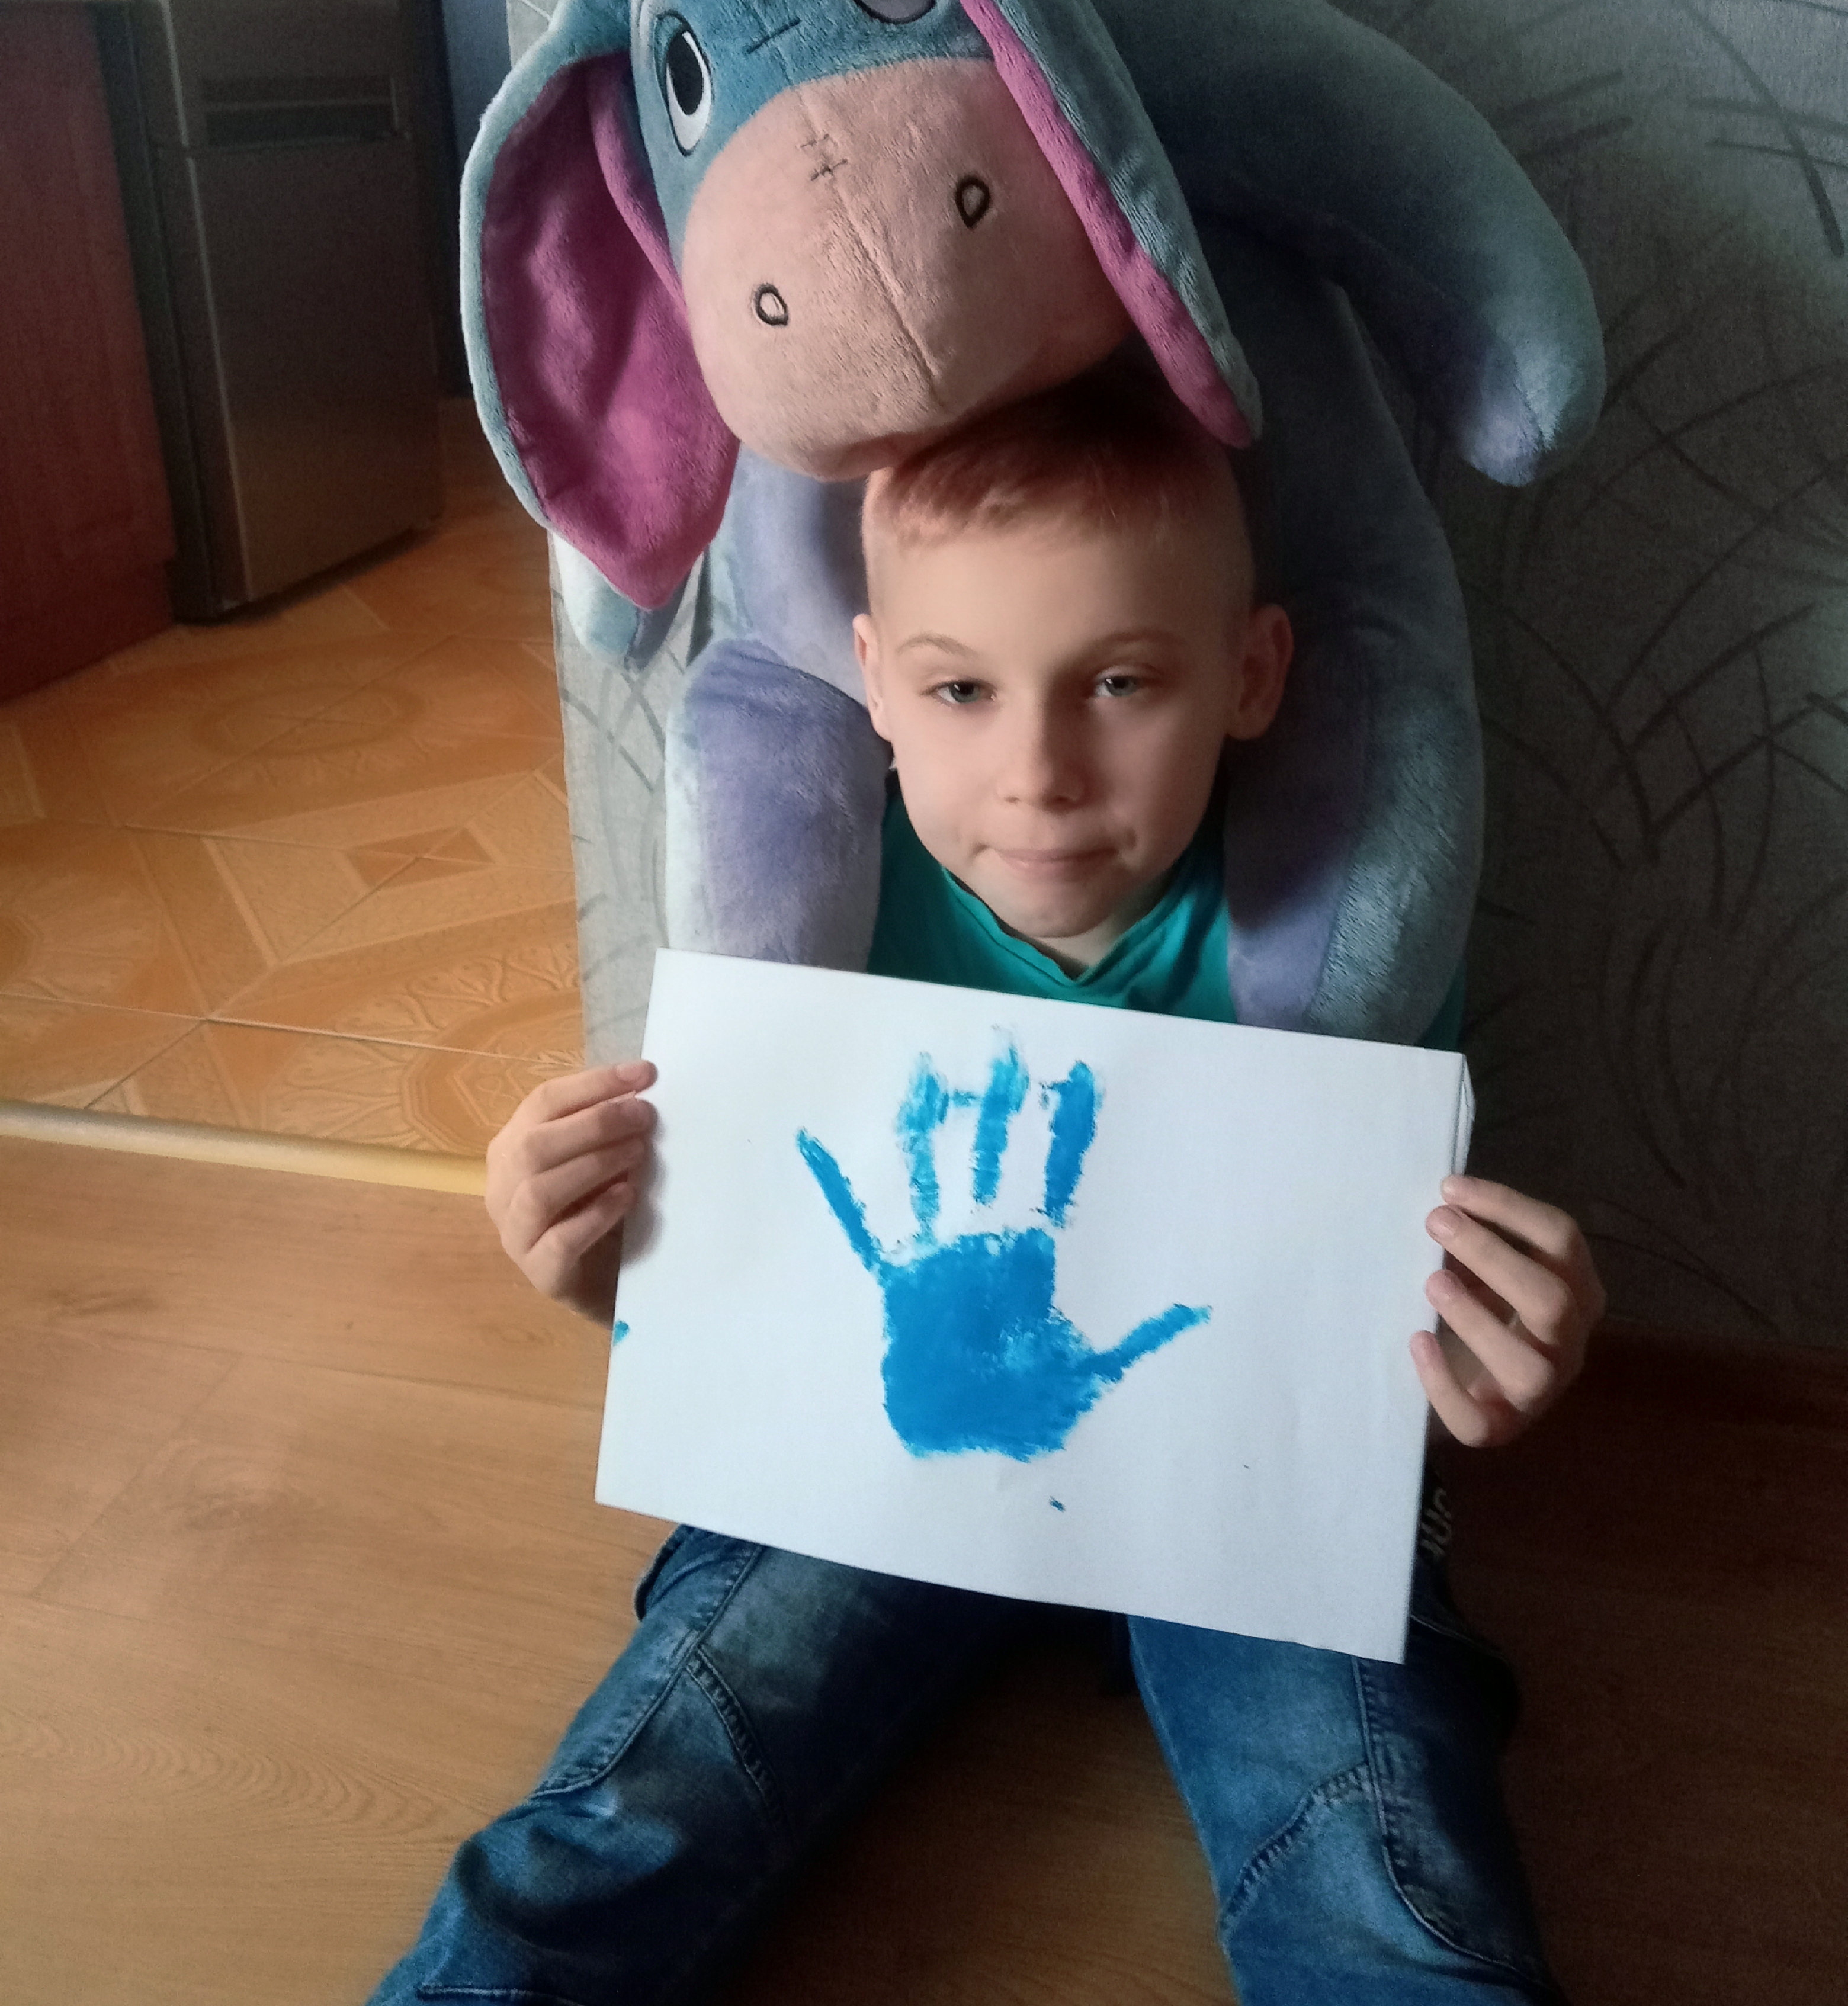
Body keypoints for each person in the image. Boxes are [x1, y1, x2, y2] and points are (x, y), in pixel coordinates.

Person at [369, 358, 1605, 2006]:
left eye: (1120, 683)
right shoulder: (812, 923)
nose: (1039, 771)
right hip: (875, 1465)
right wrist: (601, 1259)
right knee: (642, 1801)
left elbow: (1366, 1339)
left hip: (1238, 1498)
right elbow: (740, 1320)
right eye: (961, 690)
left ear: (1253, 675)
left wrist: (1493, 1357)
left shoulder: (1336, 929)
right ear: (871, 683)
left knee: (1377, 1863)